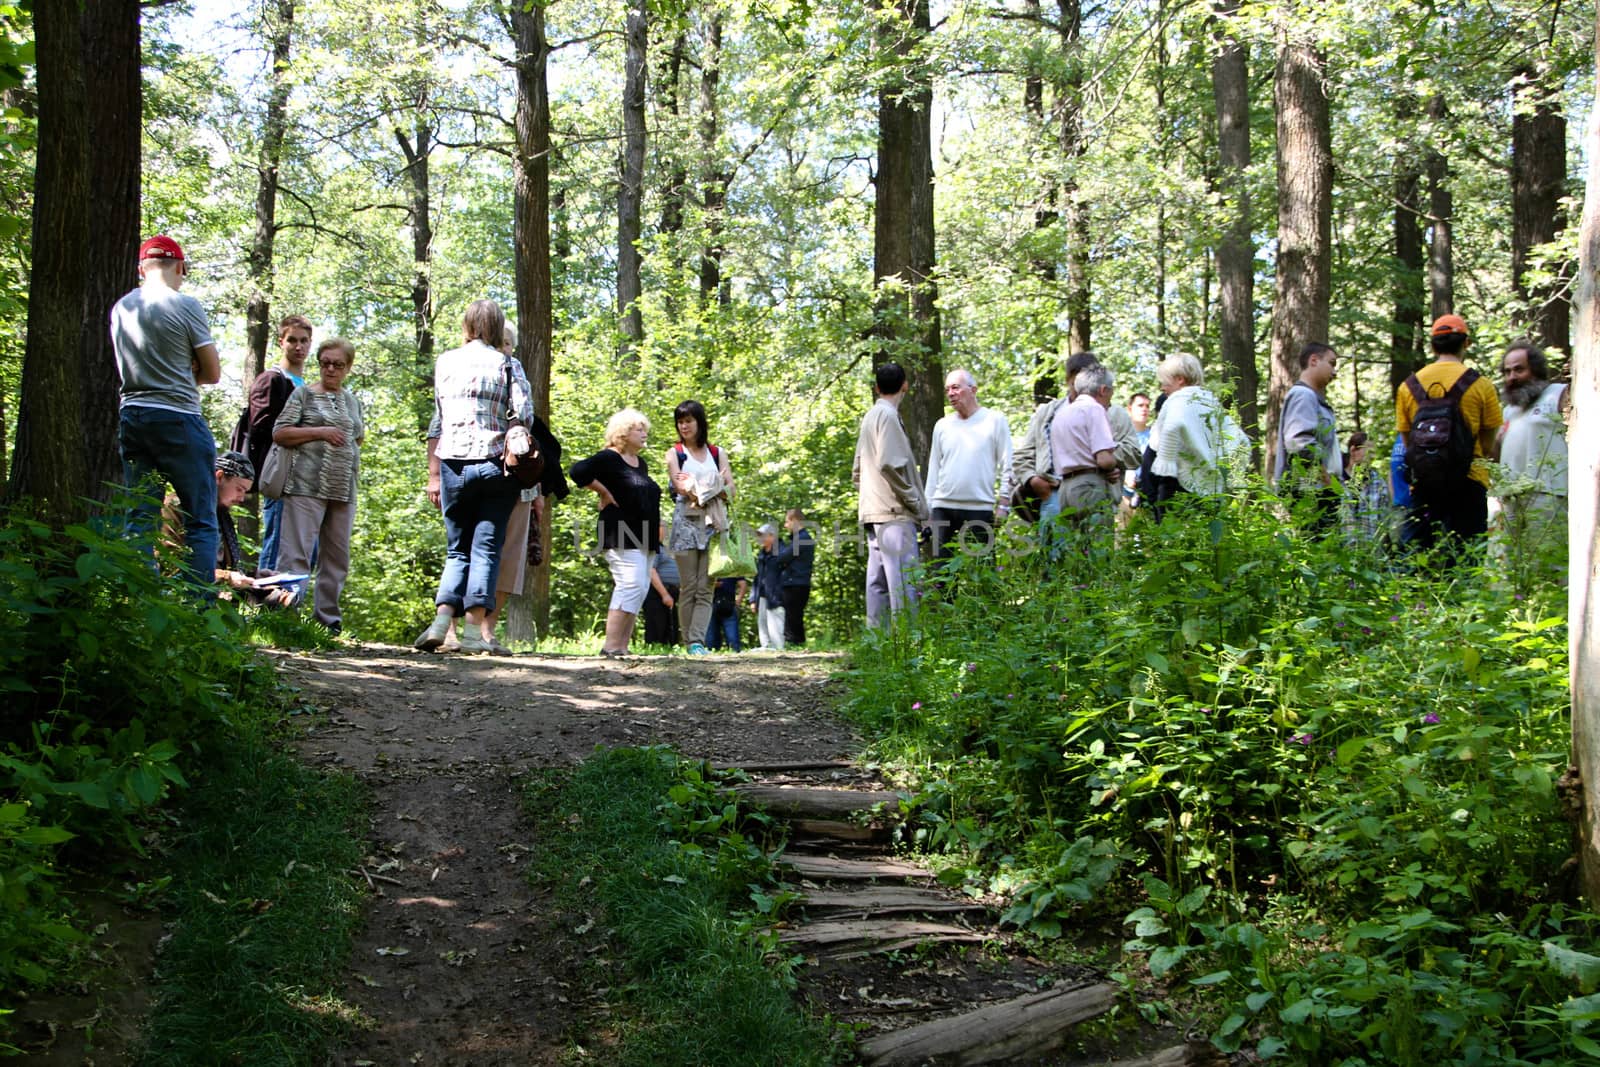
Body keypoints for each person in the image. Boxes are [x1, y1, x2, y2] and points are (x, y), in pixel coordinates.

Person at [415, 300, 534, 655]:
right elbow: (525, 414)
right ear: (498, 328)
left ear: (467, 326)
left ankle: (440, 623)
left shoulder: (446, 361)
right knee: (486, 548)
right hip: (495, 464)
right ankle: (471, 635)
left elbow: (440, 413)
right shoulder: (508, 364)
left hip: (452, 462)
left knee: (457, 548)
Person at [112, 234, 223, 585]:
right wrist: (188, 366)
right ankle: (197, 612)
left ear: (141, 268)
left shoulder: (121, 309)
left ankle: (138, 605)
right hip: (179, 418)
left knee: (140, 516)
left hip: (133, 416)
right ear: (180, 267)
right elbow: (213, 373)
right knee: (200, 518)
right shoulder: (185, 305)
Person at [272, 338, 365, 635]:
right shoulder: (303, 395)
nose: (330, 369)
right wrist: (320, 432)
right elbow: (280, 433)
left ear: (348, 367)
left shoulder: (352, 400)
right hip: (304, 485)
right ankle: (286, 619)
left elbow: (357, 436)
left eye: (338, 364)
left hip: (343, 488)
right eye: (325, 363)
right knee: (295, 553)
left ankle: (328, 623)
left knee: (336, 557)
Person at [1395, 313, 1503, 549]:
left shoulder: (1408, 387)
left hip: (1424, 482)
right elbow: (1487, 443)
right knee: (1468, 555)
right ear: (1466, 343)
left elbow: (1407, 440)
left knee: (1417, 555)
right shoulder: (1481, 385)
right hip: (1470, 480)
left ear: (1433, 346)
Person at [568, 408, 661, 657]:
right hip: (620, 532)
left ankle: (622, 646)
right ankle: (610, 646)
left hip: (644, 536)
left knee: (640, 587)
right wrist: (603, 491)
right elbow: (577, 471)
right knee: (628, 584)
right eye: (639, 429)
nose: (644, 434)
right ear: (623, 432)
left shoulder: (641, 463)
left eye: (645, 430)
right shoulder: (609, 458)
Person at [233, 315, 313, 570]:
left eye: (304, 341)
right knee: (277, 541)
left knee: (303, 546)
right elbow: (261, 429)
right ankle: (264, 604)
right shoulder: (272, 380)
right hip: (280, 475)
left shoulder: (308, 387)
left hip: (304, 477)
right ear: (281, 342)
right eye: (292, 340)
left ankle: (287, 604)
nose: (298, 346)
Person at [854, 362, 929, 628]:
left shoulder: (870, 416)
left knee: (878, 585)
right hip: (894, 512)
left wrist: (870, 495)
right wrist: (914, 501)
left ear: (876, 387)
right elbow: (889, 463)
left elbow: (857, 471)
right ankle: (907, 645)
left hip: (874, 511)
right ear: (905, 385)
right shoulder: (887, 417)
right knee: (903, 584)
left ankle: (877, 646)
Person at [664, 400, 735, 655]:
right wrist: (715, 484)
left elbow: (731, 490)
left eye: (688, 421)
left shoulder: (717, 453)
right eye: (680, 421)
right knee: (690, 586)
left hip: (714, 525)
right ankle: (688, 640)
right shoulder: (675, 453)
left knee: (707, 586)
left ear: (699, 422)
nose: (684, 426)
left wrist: (698, 485)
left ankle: (697, 642)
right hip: (685, 526)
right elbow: (681, 487)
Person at [923, 368, 1013, 558]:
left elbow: (1008, 464)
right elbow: (933, 470)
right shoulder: (942, 425)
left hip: (979, 508)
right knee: (941, 576)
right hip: (942, 508)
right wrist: (927, 512)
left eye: (955, 387)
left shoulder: (994, 420)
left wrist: (1004, 504)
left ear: (973, 390)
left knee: (983, 572)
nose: (950, 394)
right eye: (947, 389)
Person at [1493, 338, 1568, 553]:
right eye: (1507, 372)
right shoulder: (1510, 410)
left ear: (1535, 370)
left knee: (1547, 563)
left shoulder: (1558, 394)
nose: (1512, 377)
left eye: (1519, 370)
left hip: (1548, 494)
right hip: (1511, 496)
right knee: (1509, 565)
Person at [1148, 353, 1246, 515]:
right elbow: (1241, 440)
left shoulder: (1176, 401)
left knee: (1176, 537)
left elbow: (1166, 433)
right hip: (1213, 489)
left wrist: (1165, 462)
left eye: (1164, 381)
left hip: (1176, 486)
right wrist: (1230, 475)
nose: (1162, 387)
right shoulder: (1211, 402)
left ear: (1180, 379)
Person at [1273, 342, 1342, 531]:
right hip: (1310, 494)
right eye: (1332, 363)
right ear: (1314, 360)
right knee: (1314, 553)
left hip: (1319, 493)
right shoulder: (1303, 395)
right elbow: (1300, 443)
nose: (1334, 372)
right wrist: (1326, 480)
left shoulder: (1312, 398)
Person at [1047, 364, 1121, 532]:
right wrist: (1112, 465)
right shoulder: (1095, 409)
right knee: (1098, 547)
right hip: (1089, 486)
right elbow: (1104, 459)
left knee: (1075, 549)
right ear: (1103, 390)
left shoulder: (1062, 413)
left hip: (1065, 489)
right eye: (1111, 390)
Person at [1342, 431, 1394, 547]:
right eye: (1368, 451)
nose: (1372, 457)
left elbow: (1385, 516)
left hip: (1372, 549)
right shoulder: (1336, 478)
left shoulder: (1377, 481)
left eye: (1373, 453)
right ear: (1353, 450)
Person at [776, 508, 815, 647]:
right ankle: (796, 643)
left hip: (796, 583)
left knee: (794, 616)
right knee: (794, 616)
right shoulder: (799, 539)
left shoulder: (802, 539)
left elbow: (782, 558)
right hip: (795, 582)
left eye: (787, 522)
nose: (785, 526)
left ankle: (794, 643)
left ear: (794, 520)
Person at [749, 523, 787, 650]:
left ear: (772, 536)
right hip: (763, 594)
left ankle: (778, 648)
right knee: (763, 622)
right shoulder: (762, 554)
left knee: (776, 621)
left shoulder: (783, 551)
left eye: (762, 535)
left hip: (777, 594)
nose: (759, 538)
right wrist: (753, 599)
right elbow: (757, 576)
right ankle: (766, 647)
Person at [642, 547, 680, 647]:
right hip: (656, 591)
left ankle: (670, 647)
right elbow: (651, 570)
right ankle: (654, 648)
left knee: (671, 626)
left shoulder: (675, 550)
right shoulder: (656, 549)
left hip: (673, 592)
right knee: (657, 625)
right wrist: (665, 594)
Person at [1123, 392, 1152, 508]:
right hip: (1123, 494)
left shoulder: (1154, 436)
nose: (1144, 409)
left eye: (1147, 406)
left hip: (1147, 496)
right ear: (1129, 409)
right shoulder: (1120, 435)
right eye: (1140, 405)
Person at [706, 577, 744, 651]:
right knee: (710, 639)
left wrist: (738, 601)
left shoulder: (732, 567)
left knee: (732, 640)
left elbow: (743, 584)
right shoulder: (708, 567)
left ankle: (734, 652)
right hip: (712, 604)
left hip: (728, 605)